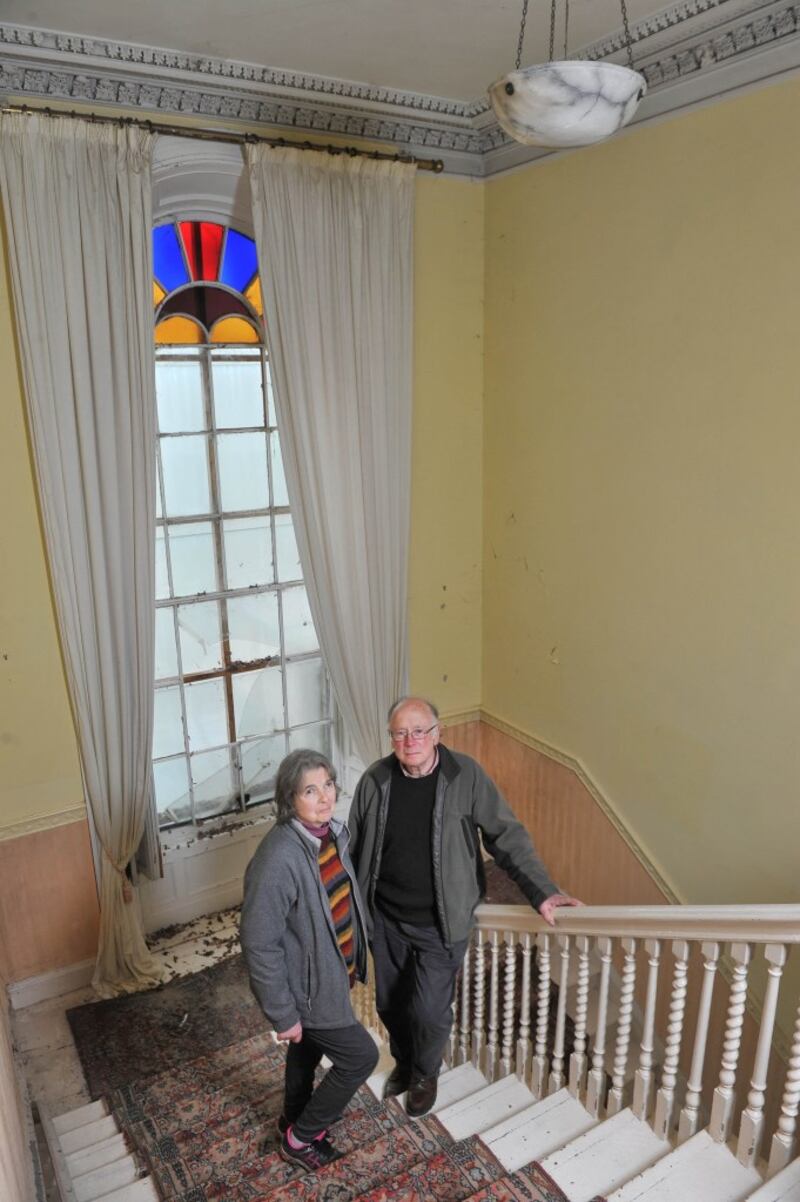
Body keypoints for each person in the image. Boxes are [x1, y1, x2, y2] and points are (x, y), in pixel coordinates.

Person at [348, 696, 581, 1119]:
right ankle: (404, 1062)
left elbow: (506, 836)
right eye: (400, 732)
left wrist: (542, 891)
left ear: (438, 734)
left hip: (441, 922)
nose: (410, 740)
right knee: (389, 1004)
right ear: (391, 738)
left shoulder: (465, 776)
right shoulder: (374, 781)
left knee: (429, 1011)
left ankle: (424, 1074)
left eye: (420, 730)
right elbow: (354, 851)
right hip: (385, 920)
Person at [240, 748, 378, 1173]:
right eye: (309, 790)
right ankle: (300, 1140)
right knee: (361, 1057)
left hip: (330, 975)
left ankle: (292, 1117)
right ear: (289, 800)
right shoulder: (279, 857)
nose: (323, 798)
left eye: (328, 785)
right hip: (309, 992)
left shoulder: (330, 834)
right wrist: (284, 1015)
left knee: (306, 1051)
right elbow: (259, 943)